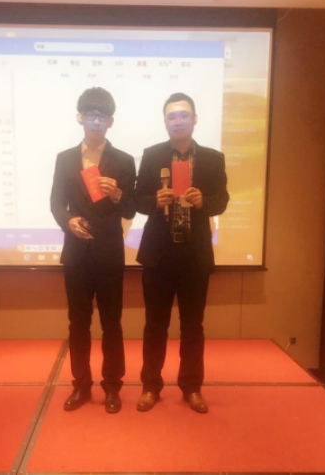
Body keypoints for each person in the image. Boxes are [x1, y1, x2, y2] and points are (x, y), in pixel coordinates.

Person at [134, 92, 229, 413]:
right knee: (154, 325)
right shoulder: (152, 155)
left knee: (192, 326)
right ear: (165, 122)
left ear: (195, 119)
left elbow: (222, 200)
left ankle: (192, 387)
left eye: (184, 115)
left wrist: (204, 201)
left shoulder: (213, 159)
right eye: (172, 116)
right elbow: (137, 199)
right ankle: (150, 386)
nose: (178, 121)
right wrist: (154, 201)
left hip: (194, 256)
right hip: (159, 256)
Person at [50, 87, 136, 413]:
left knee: (112, 324)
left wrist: (117, 194)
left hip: (109, 254)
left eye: (102, 116)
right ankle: (81, 385)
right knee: (78, 323)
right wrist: (68, 221)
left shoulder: (124, 161)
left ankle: (112, 386)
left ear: (111, 121)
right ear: (80, 117)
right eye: (91, 114)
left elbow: (130, 209)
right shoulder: (65, 159)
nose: (96, 120)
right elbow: (56, 203)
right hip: (76, 254)